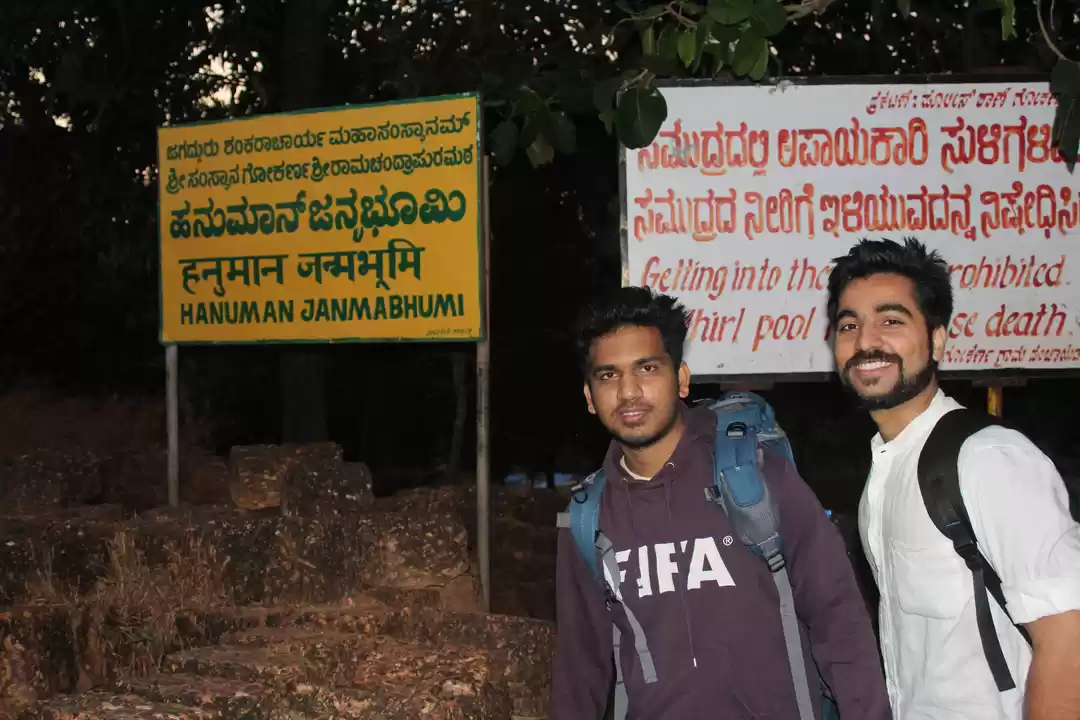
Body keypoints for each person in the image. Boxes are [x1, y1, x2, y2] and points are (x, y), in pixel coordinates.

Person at [550, 285, 891, 720]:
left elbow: (838, 619)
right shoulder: (588, 518)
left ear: (681, 379)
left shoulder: (757, 476)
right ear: (589, 396)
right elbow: (580, 667)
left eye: (647, 368)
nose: (629, 391)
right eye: (608, 376)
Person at [827, 236, 1080, 719]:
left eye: (891, 321)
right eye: (849, 325)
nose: (865, 341)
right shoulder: (884, 472)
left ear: (937, 338)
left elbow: (1069, 640)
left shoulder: (988, 459)